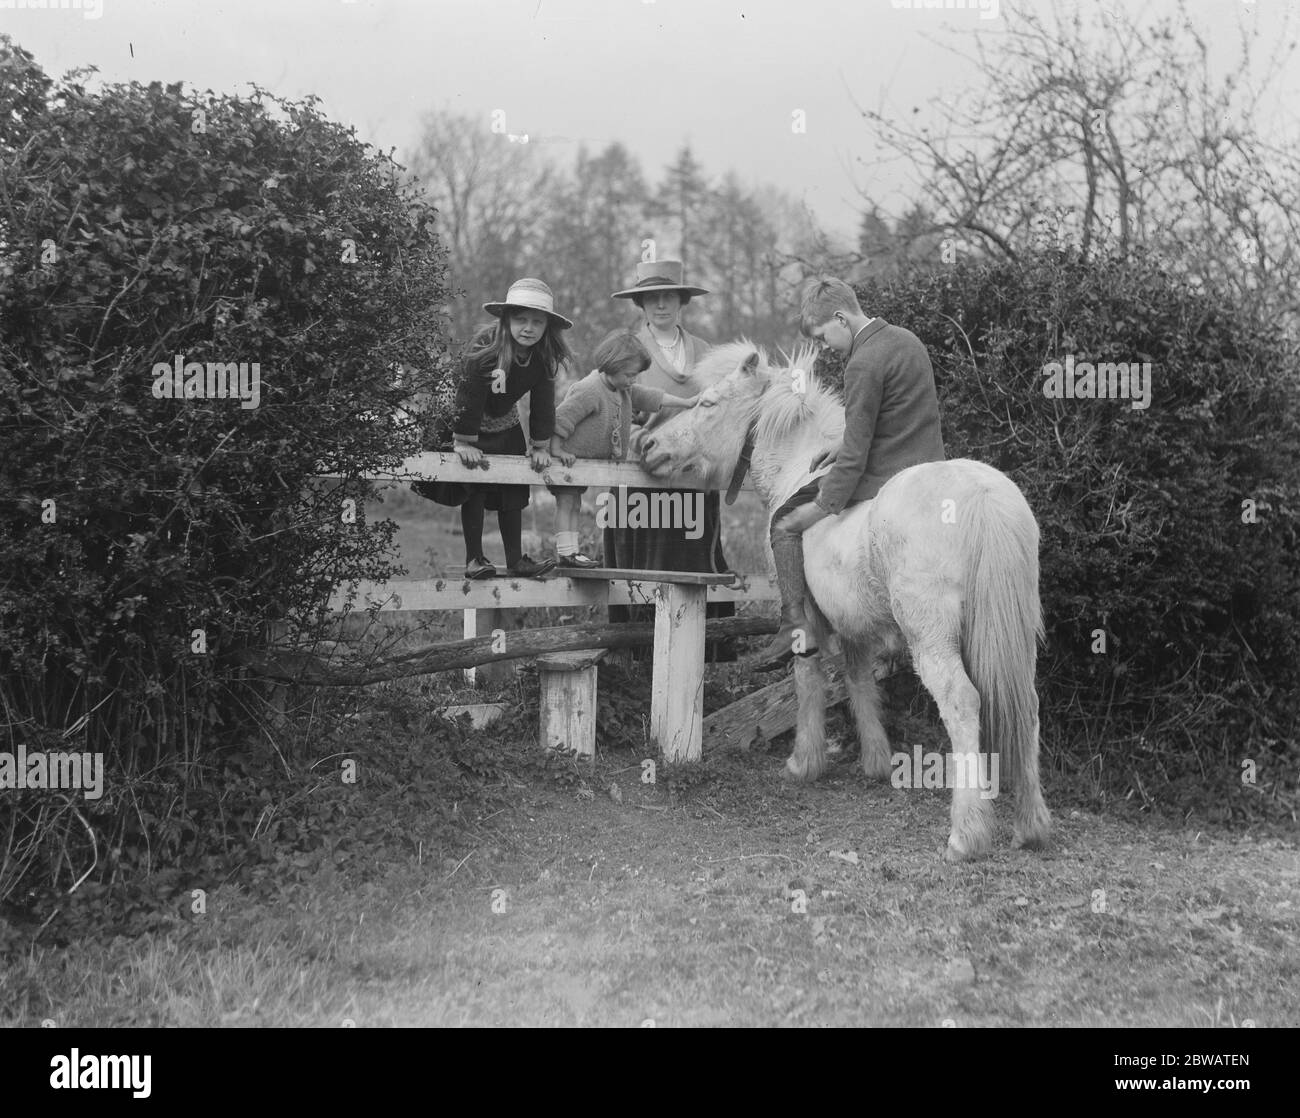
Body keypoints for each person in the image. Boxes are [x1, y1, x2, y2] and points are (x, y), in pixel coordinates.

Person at [751, 276, 947, 671]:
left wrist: (822, 506)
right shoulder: (907, 340)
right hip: (928, 469)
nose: (825, 348)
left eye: (824, 337)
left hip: (883, 475)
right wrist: (837, 445)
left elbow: (856, 459)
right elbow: (903, 415)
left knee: (784, 523)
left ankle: (796, 629)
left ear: (841, 318)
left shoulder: (862, 362)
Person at [605, 259, 736, 661]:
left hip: (694, 482)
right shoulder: (626, 349)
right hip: (640, 480)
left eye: (669, 297)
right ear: (641, 305)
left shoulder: (705, 352)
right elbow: (613, 409)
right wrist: (643, 442)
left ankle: (701, 664)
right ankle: (639, 666)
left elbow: (720, 412)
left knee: (696, 567)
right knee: (643, 573)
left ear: (681, 301)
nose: (661, 305)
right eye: (652, 298)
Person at [412, 277, 572, 579]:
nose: (528, 328)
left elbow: (543, 404)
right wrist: (463, 442)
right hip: (465, 418)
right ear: (506, 319)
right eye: (521, 319)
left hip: (504, 421)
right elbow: (469, 394)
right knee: (475, 485)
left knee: (513, 488)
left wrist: (540, 446)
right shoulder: (487, 346)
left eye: (537, 322)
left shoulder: (542, 357)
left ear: (547, 327)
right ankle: (475, 559)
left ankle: (516, 561)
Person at [549, 329, 699, 568]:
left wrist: (687, 403)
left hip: (581, 464)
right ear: (612, 366)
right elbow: (561, 419)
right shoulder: (589, 389)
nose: (633, 380)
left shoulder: (622, 388)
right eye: (630, 374)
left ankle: (571, 553)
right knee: (566, 503)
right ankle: (565, 553)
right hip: (567, 460)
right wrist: (557, 450)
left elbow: (652, 397)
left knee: (575, 504)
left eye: (636, 375)